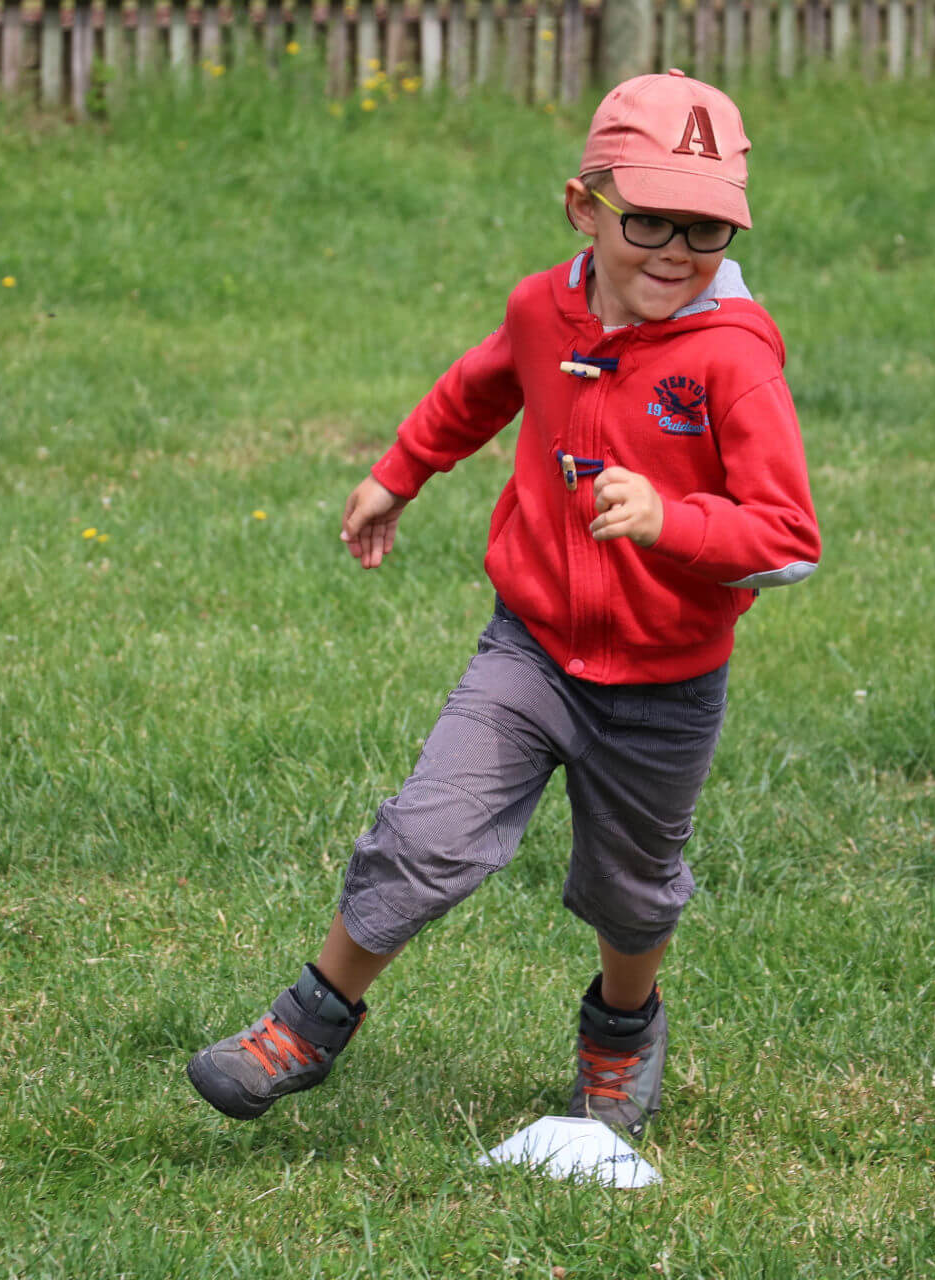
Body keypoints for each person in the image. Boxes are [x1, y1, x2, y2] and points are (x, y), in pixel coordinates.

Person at [187, 70, 820, 1138]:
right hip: (529, 649)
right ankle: (310, 1017)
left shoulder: (731, 357)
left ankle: (620, 1034)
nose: (676, 249)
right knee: (425, 833)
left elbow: (789, 537)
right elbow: (480, 385)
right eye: (650, 218)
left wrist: (676, 520)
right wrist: (398, 473)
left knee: (633, 889)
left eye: (706, 227)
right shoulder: (544, 307)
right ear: (585, 205)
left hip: (666, 682)